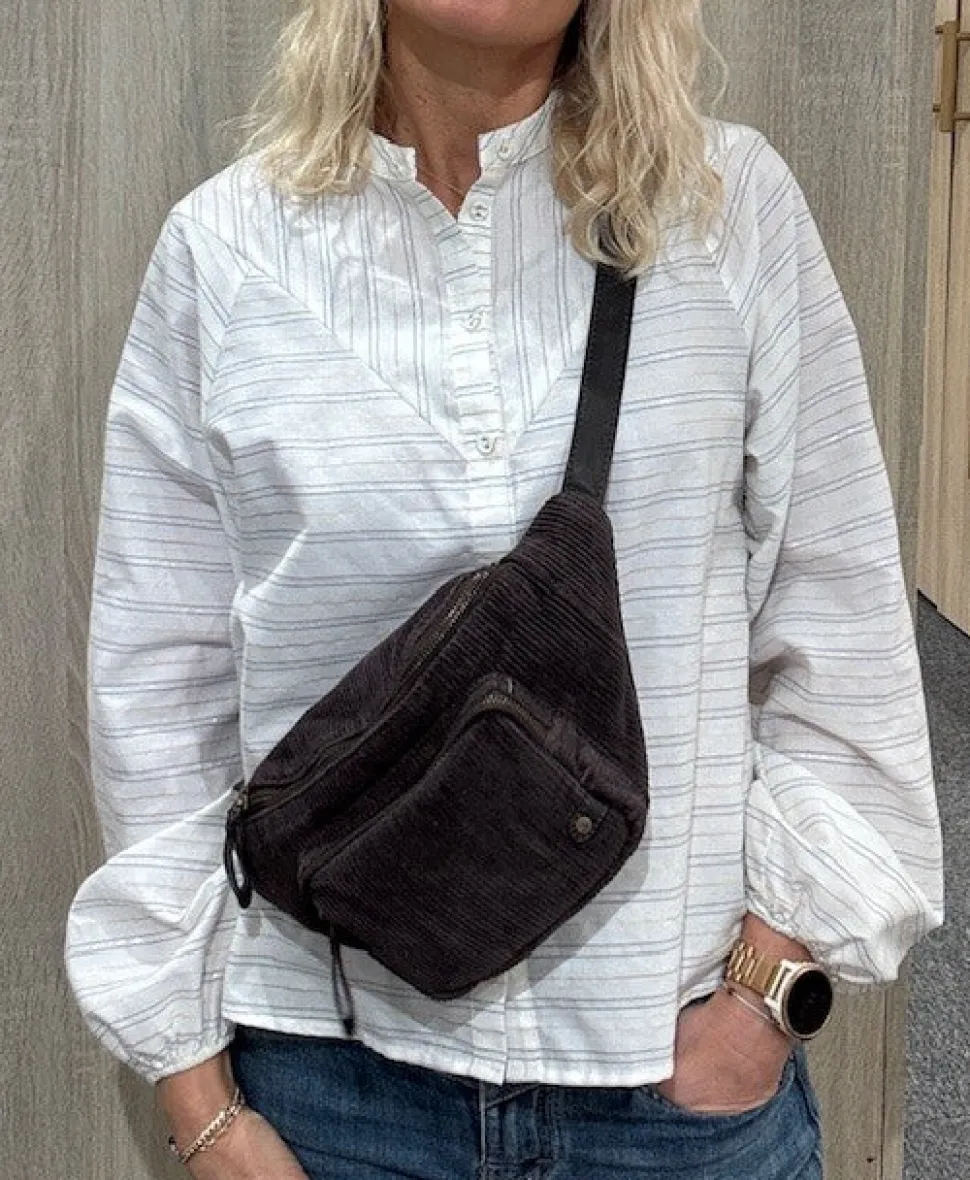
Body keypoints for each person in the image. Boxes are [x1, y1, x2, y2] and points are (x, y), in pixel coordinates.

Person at [65, 2, 944, 1178]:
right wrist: (200, 1102)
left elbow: (840, 623)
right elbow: (160, 688)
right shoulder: (225, 248)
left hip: (667, 1087)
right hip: (333, 1081)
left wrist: (760, 1001)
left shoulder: (724, 209)